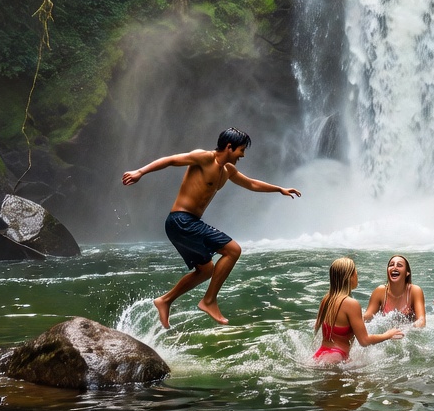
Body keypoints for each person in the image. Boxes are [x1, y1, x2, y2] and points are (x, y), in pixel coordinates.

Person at [122, 127, 301, 328]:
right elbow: (171, 160)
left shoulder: (228, 171)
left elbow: (251, 184)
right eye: (241, 150)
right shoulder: (204, 158)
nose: (243, 154)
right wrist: (140, 172)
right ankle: (208, 301)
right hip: (181, 220)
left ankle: (165, 300)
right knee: (233, 250)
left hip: (188, 223)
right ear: (229, 147)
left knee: (206, 270)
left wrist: (279, 189)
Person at [313, 257, 405, 361]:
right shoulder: (351, 304)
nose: (357, 276)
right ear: (350, 277)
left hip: (320, 355)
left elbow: (320, 328)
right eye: (356, 272)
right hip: (336, 358)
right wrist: (387, 334)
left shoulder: (327, 299)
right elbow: (364, 341)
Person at [363, 255, 427, 328]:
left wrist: (405, 330)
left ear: (407, 273)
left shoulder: (415, 291)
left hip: (408, 334)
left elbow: (421, 321)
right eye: (391, 265)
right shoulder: (380, 291)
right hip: (386, 335)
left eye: (399, 265)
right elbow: (367, 317)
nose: (394, 267)